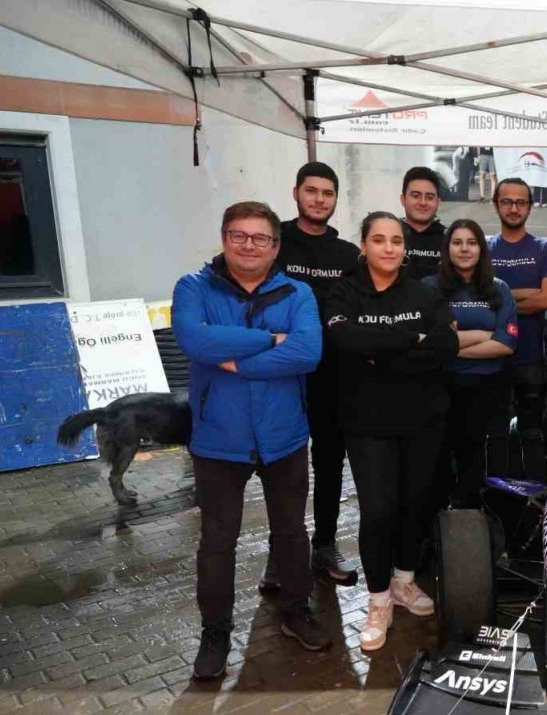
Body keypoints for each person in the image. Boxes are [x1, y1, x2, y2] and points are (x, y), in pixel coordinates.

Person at [172, 201, 330, 679]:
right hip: (218, 439)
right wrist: (270, 340)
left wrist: (234, 360)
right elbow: (195, 341)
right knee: (218, 541)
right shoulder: (193, 288)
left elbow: (308, 352)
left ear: (275, 247)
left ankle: (295, 609)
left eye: (260, 238)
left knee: (291, 532)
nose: (249, 245)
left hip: (284, 435)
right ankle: (215, 632)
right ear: (224, 239)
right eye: (238, 235)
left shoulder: (298, 292)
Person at [323, 211, 457, 651]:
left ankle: (403, 582)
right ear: (364, 245)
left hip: (422, 419)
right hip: (366, 422)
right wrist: (409, 339)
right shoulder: (344, 291)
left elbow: (446, 345)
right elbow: (345, 341)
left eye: (396, 241)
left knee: (414, 504)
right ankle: (378, 601)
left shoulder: (423, 292)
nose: (388, 248)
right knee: (378, 511)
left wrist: (379, 355)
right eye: (378, 240)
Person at [274, 161, 361, 589]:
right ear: (296, 192)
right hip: (281, 376)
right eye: (312, 191)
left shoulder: (347, 255)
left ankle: (323, 545)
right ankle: (281, 555)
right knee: (280, 467)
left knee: (328, 464)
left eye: (328, 193)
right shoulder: (274, 243)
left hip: (332, 376)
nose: (319, 199)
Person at [424, 219, 518, 508]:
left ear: (481, 249)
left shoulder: (499, 289)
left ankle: (472, 523)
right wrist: (481, 334)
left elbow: (505, 344)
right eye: (457, 242)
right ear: (447, 248)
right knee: (436, 468)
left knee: (475, 468)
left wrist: (451, 345)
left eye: (471, 242)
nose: (464, 249)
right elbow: (427, 342)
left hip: (486, 392)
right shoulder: (428, 288)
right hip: (440, 389)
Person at [487, 178, 547, 482]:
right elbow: (479, 299)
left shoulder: (544, 248)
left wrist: (502, 298)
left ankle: (535, 494)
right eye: (507, 201)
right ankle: (494, 494)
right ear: (496, 205)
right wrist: (526, 293)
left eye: (520, 202)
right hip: (490, 358)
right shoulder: (484, 248)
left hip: (530, 359)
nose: (514, 208)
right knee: (494, 432)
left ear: (529, 207)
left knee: (532, 432)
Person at [400, 166, 446, 281]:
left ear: (438, 202)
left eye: (430, 197)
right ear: (403, 199)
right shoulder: (389, 237)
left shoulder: (450, 240)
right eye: (416, 196)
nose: (423, 203)